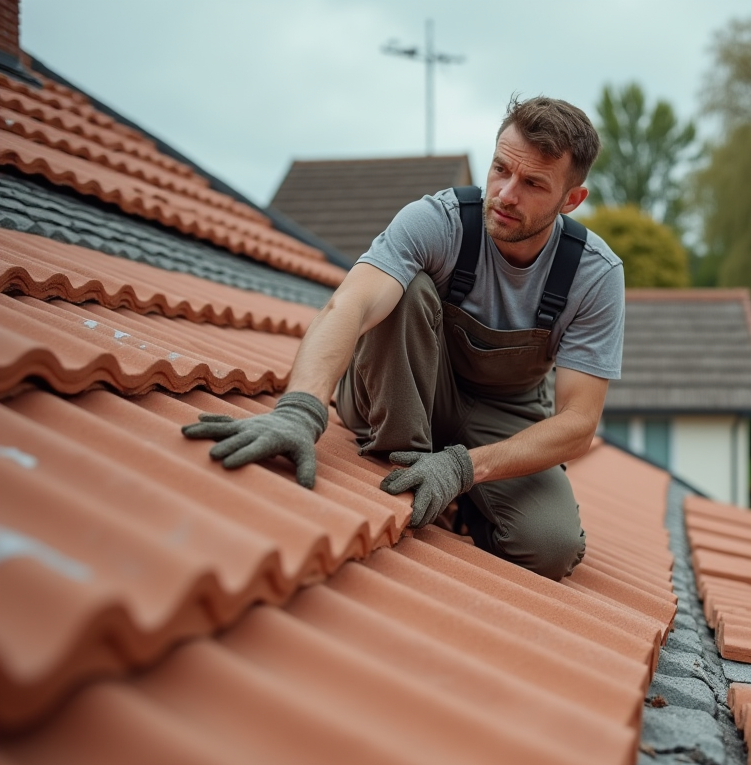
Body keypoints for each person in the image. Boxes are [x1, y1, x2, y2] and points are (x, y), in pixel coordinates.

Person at [182, 96, 624, 580]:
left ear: (571, 200)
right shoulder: (441, 221)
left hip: (505, 413)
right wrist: (300, 408)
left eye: (533, 183)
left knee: (551, 548)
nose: (506, 194)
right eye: (500, 169)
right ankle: (399, 461)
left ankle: (462, 491)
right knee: (405, 286)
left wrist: (465, 468)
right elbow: (350, 304)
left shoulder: (592, 275)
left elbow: (579, 422)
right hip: (403, 384)